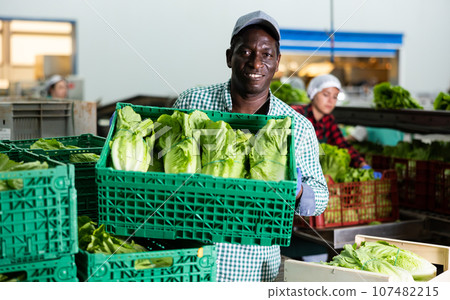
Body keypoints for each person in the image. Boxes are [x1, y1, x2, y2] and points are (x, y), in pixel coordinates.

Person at [173, 10, 329, 281]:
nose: (256, 63)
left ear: (277, 62)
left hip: (252, 268)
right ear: (228, 57)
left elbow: (321, 196)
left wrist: (300, 190)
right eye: (245, 52)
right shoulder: (192, 103)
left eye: (267, 54)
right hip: (188, 258)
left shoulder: (297, 126)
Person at [291, 74, 370, 169]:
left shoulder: (328, 120)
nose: (330, 101)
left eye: (335, 97)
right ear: (313, 93)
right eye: (326, 94)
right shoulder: (296, 114)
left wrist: (362, 164)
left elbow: (342, 145)